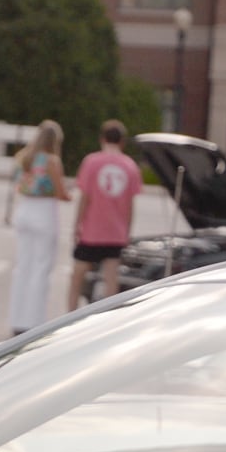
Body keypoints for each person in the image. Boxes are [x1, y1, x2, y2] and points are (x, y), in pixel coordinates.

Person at [70, 120, 145, 311]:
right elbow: (130, 205)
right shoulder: (130, 166)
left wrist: (77, 224)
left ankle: (69, 315)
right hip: (115, 232)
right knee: (111, 279)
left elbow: (85, 197)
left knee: (77, 276)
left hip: (92, 231)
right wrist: (126, 231)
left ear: (102, 139)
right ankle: (107, 317)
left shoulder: (91, 162)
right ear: (122, 142)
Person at [8, 118, 66, 335]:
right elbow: (61, 193)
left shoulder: (24, 158)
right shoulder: (51, 160)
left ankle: (16, 318)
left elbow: (18, 184)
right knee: (41, 267)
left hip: (24, 209)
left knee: (23, 266)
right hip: (44, 211)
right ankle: (33, 322)